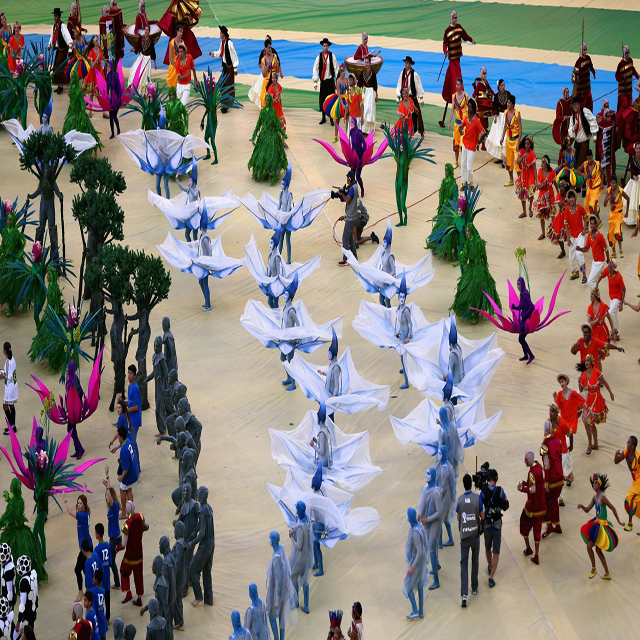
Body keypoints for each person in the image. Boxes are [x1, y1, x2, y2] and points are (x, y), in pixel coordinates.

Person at [577, 473, 624, 579]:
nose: (594, 485)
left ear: (600, 485)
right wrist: (581, 506)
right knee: (598, 551)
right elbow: (587, 509)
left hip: (602, 527)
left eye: (596, 483)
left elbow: (613, 508)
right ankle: (607, 573)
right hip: (597, 523)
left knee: (589, 546)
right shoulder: (595, 497)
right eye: (593, 483)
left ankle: (594, 569)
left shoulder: (602, 498)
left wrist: (619, 521)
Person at [440, 10, 475, 128]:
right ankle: (460, 101)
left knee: (454, 79)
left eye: (456, 17)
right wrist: (445, 51)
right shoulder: (447, 31)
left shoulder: (459, 27)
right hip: (452, 60)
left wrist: (471, 40)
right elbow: (444, 43)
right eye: (453, 17)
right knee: (456, 81)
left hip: (457, 59)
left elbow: (465, 36)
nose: (455, 19)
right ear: (450, 18)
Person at [456, 473, 483, 608]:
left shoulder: (460, 500)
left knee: (464, 564)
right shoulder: (477, 498)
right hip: (475, 535)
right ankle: (474, 586)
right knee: (475, 561)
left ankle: (464, 594)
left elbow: (458, 517)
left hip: (464, 536)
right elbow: (482, 515)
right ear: (471, 484)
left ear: (463, 485)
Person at [577, 353, 614, 454]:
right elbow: (581, 389)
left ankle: (590, 444)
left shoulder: (596, 372)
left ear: (592, 362)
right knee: (589, 423)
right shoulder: (584, 374)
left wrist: (610, 393)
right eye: (585, 360)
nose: (586, 362)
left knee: (588, 422)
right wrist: (579, 382)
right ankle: (595, 444)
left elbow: (604, 382)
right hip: (589, 399)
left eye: (588, 360)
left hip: (597, 400)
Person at [481, 468, 508, 588]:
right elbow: (506, 503)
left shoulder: (483, 491)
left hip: (487, 524)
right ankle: (491, 577)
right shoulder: (500, 491)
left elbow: (480, 506)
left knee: (487, 547)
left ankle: (489, 565)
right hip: (497, 525)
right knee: (496, 552)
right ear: (496, 479)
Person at [119, 500, 149, 606]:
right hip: (139, 554)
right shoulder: (140, 516)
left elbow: (124, 544)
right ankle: (139, 599)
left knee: (123, 571)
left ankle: (128, 593)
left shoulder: (127, 525)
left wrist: (116, 548)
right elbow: (147, 526)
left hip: (130, 556)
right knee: (138, 576)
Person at [518, 450, 545, 565]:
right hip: (541, 505)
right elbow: (537, 484)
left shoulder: (531, 472)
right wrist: (527, 483)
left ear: (527, 460)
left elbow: (533, 490)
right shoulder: (539, 466)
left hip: (532, 505)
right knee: (537, 530)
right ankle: (537, 556)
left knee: (523, 523)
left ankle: (528, 548)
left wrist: (522, 489)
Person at [64, 493, 92, 603]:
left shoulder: (82, 516)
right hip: (88, 545)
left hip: (86, 548)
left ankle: (81, 591)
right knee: (85, 570)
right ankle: (89, 588)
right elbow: (86, 498)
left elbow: (70, 512)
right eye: (78, 503)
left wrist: (65, 500)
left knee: (77, 569)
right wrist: (84, 488)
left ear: (84, 505)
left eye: (80, 504)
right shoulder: (86, 512)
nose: (78, 505)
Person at [403, 507, 428, 620]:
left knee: (407, 586)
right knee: (420, 585)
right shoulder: (419, 528)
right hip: (420, 562)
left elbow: (420, 551)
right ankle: (420, 612)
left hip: (417, 563)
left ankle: (415, 610)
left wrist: (412, 567)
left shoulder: (415, 533)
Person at [540, 421, 564, 538]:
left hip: (552, 478)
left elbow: (546, 465)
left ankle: (549, 524)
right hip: (560, 476)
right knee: (553, 500)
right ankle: (557, 525)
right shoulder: (558, 441)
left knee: (544, 499)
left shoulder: (544, 445)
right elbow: (559, 459)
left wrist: (547, 482)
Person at [568, 97, 598, 184]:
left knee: (582, 164)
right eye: (573, 105)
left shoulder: (585, 111)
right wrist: (573, 129)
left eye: (576, 104)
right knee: (575, 162)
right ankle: (577, 183)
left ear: (579, 104)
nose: (575, 106)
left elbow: (593, 121)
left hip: (584, 142)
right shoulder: (572, 118)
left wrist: (595, 135)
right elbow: (570, 132)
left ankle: (582, 185)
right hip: (577, 143)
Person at [614, 436, 640, 532]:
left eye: (629, 442)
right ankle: (630, 523)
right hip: (635, 482)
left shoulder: (638, 457)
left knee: (629, 497)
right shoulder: (626, 452)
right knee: (637, 503)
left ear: (633, 446)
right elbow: (616, 461)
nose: (627, 443)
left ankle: (630, 524)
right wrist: (616, 455)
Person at [209, 25, 238, 110]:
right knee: (222, 84)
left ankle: (226, 105)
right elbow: (220, 53)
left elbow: (234, 56)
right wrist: (213, 54)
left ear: (223, 34)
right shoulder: (222, 42)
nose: (220, 34)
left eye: (220, 32)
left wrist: (235, 68)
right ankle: (224, 102)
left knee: (228, 86)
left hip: (229, 68)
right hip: (225, 67)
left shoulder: (229, 43)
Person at [576, 215, 610, 289]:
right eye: (591, 224)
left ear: (596, 225)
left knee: (590, 281)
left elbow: (606, 248)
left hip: (600, 262)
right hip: (595, 262)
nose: (592, 225)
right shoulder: (589, 235)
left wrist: (608, 259)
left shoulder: (600, 236)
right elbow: (586, 249)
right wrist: (579, 249)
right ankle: (594, 295)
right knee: (593, 281)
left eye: (593, 224)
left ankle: (595, 295)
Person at [459, 97, 485, 190]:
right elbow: (461, 126)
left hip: (472, 146)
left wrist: (478, 143)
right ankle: (464, 183)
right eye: (468, 107)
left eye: (470, 107)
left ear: (474, 108)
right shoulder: (466, 118)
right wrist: (461, 130)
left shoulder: (477, 121)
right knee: (463, 165)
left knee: (469, 167)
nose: (468, 109)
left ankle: (470, 184)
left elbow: (483, 133)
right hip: (465, 144)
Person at [396, 56, 424, 138]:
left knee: (417, 113)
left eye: (407, 63)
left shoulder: (414, 74)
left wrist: (421, 98)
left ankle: (420, 131)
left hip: (412, 97)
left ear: (410, 64)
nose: (405, 64)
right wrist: (398, 96)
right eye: (405, 63)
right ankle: (404, 131)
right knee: (403, 115)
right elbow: (399, 84)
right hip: (404, 97)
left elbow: (418, 86)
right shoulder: (402, 73)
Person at [563, 190, 588, 282]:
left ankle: (584, 274)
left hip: (580, 234)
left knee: (579, 253)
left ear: (575, 198)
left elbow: (585, 216)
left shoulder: (580, 207)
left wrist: (585, 228)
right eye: (569, 198)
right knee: (571, 257)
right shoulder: (567, 210)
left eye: (572, 197)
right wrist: (568, 238)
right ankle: (575, 273)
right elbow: (566, 225)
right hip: (572, 237)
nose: (571, 199)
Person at [312, 38, 338, 126]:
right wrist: (315, 82)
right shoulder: (319, 57)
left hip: (330, 81)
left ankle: (331, 118)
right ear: (322, 46)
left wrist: (337, 81)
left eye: (326, 46)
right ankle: (323, 117)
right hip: (323, 81)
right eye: (324, 46)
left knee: (331, 100)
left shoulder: (332, 56)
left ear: (328, 46)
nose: (325, 47)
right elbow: (315, 69)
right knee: (322, 99)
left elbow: (336, 68)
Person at [336, 171, 360, 265]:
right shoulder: (355, 186)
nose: (347, 182)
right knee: (350, 237)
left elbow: (347, 200)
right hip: (352, 216)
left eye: (348, 180)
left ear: (350, 179)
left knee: (345, 238)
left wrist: (341, 193)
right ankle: (354, 256)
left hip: (351, 217)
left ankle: (346, 259)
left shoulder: (352, 189)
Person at [604, 177, 630, 258]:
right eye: (611, 183)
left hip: (619, 214)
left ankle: (621, 250)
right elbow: (604, 205)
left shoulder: (620, 191)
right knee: (611, 234)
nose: (613, 185)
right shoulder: (608, 191)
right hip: (611, 215)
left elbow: (628, 198)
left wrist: (627, 211)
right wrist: (607, 199)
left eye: (614, 183)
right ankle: (614, 252)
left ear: (616, 183)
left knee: (617, 232)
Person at [48, 7, 73, 93]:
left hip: (63, 50)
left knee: (59, 67)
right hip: (59, 50)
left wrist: (70, 47)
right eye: (54, 16)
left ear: (59, 16)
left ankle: (61, 85)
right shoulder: (54, 27)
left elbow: (67, 37)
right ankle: (60, 85)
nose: (55, 17)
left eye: (56, 16)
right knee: (57, 67)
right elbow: (52, 36)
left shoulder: (62, 26)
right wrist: (49, 45)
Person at [500, 93, 522, 187]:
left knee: (517, 161)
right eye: (507, 103)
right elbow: (505, 126)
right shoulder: (506, 112)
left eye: (509, 103)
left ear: (513, 104)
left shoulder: (517, 114)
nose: (507, 104)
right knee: (509, 161)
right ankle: (511, 180)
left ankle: (520, 182)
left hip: (516, 140)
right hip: (508, 141)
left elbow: (520, 129)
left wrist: (518, 143)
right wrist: (502, 137)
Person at [512, 277, 535, 364]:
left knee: (521, 339)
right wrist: (515, 307)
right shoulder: (522, 294)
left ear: (522, 284)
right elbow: (521, 306)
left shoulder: (524, 295)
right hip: (523, 320)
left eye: (519, 284)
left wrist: (525, 314)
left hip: (526, 321)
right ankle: (526, 355)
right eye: (517, 284)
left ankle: (530, 355)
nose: (517, 286)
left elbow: (531, 306)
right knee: (521, 339)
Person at [128, 24, 156, 97]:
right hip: (141, 57)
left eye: (147, 30)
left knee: (144, 76)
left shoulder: (151, 40)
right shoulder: (141, 38)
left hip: (147, 59)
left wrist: (155, 62)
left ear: (149, 31)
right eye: (145, 30)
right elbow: (138, 45)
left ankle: (143, 93)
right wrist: (133, 49)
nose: (145, 31)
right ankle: (136, 92)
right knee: (135, 70)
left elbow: (153, 51)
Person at [533, 155, 556, 239]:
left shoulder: (552, 171)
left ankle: (554, 232)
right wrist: (542, 185)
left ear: (546, 163)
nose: (541, 163)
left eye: (543, 162)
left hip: (550, 194)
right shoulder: (539, 171)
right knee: (541, 214)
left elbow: (555, 182)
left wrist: (558, 192)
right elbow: (538, 186)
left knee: (552, 213)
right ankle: (543, 233)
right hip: (542, 195)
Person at [577, 149, 602, 222]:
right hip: (589, 189)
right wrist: (583, 175)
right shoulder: (585, 164)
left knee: (592, 204)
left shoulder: (597, 164)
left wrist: (601, 183)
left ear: (592, 156)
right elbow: (577, 171)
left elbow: (602, 172)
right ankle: (588, 222)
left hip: (597, 188)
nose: (589, 160)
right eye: (588, 159)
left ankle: (597, 220)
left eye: (590, 158)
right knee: (587, 206)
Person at [448, 77, 468, 169]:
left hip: (464, 125)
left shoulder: (466, 96)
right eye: (456, 84)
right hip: (457, 124)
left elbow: (469, 109)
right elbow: (452, 110)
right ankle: (456, 161)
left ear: (462, 85)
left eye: (458, 85)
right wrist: (449, 122)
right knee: (456, 143)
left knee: (463, 144)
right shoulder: (453, 96)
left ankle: (464, 162)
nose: (457, 86)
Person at [116, 426, 139, 507]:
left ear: (121, 437)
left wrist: (121, 477)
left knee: (122, 490)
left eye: (118, 436)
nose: (117, 437)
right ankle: (131, 509)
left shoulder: (123, 450)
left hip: (129, 475)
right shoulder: (128, 441)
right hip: (134, 472)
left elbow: (126, 468)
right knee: (129, 490)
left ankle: (124, 510)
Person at [471, 67, 494, 150]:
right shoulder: (479, 84)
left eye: (486, 73)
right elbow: (474, 94)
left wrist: (496, 95)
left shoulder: (486, 82)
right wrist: (472, 103)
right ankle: (480, 143)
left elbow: (490, 90)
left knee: (484, 126)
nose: (485, 75)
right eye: (483, 73)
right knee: (480, 126)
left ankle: (483, 143)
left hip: (485, 108)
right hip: (480, 109)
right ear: (481, 73)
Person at [486, 79, 508, 162]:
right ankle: (499, 156)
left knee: (504, 136)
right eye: (502, 85)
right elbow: (495, 107)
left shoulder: (508, 94)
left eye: (504, 85)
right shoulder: (496, 96)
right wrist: (495, 116)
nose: (503, 87)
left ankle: (505, 157)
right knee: (497, 135)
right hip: (499, 117)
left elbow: (510, 105)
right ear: (499, 87)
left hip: (505, 117)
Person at [595, 99, 616, 184]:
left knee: (609, 165)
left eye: (609, 116)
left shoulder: (612, 122)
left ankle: (610, 183)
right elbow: (598, 139)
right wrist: (600, 151)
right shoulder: (600, 123)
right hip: (603, 149)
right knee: (602, 166)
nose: (608, 117)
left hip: (609, 148)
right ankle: (601, 180)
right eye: (605, 104)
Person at [516, 136, 537, 219]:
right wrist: (522, 157)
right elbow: (517, 161)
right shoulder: (522, 151)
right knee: (522, 192)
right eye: (525, 144)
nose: (526, 145)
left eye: (528, 144)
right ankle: (524, 212)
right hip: (523, 174)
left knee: (531, 192)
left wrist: (536, 180)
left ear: (530, 144)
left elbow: (534, 169)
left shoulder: (532, 154)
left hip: (530, 174)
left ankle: (530, 207)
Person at [94, 525, 111, 622]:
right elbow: (110, 561)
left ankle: (100, 618)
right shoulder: (107, 545)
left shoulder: (97, 549)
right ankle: (107, 617)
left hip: (101, 577)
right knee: (107, 597)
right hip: (107, 574)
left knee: (100, 599)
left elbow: (97, 564)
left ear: (97, 534)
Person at [548, 180, 569, 258]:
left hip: (568, 217)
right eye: (560, 187)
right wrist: (565, 200)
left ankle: (574, 252)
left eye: (562, 186)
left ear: (565, 188)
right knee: (559, 235)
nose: (561, 188)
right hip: (561, 218)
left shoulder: (569, 194)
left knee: (571, 235)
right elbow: (560, 205)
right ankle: (563, 251)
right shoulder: (559, 195)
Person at [357, 55, 378, 135]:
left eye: (367, 62)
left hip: (371, 92)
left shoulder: (373, 73)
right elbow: (359, 84)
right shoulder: (362, 72)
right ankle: (363, 129)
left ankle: (369, 129)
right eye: (365, 62)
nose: (366, 64)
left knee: (370, 109)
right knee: (364, 108)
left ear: (370, 63)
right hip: (364, 91)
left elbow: (375, 85)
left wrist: (376, 95)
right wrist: (357, 91)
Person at [126, 365, 142, 471]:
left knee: (132, 443)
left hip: (135, 420)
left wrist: (125, 410)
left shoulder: (135, 388)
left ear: (135, 375)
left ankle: (136, 468)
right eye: (128, 373)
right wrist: (123, 403)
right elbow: (131, 403)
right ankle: (136, 466)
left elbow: (135, 407)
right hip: (131, 420)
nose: (129, 375)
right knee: (133, 443)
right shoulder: (130, 386)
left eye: (131, 373)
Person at [572, 42, 596, 111]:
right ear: (581, 50)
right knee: (582, 108)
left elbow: (591, 66)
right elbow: (575, 72)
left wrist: (593, 72)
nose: (585, 51)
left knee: (590, 107)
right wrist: (580, 67)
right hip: (581, 91)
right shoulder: (579, 61)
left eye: (586, 49)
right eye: (584, 50)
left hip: (588, 88)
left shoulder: (588, 58)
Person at [553, 86, 573, 165]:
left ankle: (568, 162)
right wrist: (563, 117)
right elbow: (557, 116)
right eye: (565, 92)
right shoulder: (560, 102)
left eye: (568, 92)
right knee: (563, 146)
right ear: (563, 93)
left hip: (569, 127)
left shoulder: (571, 100)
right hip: (563, 129)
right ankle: (560, 163)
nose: (567, 94)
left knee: (568, 145)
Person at [0, 342, 17, 435]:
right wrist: (3, 372)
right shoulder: (12, 359)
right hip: (14, 386)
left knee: (5, 406)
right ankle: (13, 426)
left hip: (9, 388)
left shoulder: (8, 362)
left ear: (4, 351)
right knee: (11, 405)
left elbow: (7, 376)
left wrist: (1, 375)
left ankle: (12, 427)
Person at [616, 45, 639, 113]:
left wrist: (638, 77)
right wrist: (622, 76)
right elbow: (617, 77)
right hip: (623, 92)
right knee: (622, 109)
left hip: (629, 90)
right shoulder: (621, 64)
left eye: (628, 53)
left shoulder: (630, 61)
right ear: (623, 53)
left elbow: (633, 70)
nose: (628, 55)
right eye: (626, 53)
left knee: (629, 108)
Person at [266, 71, 286, 139]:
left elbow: (280, 98)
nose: (273, 79)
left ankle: (283, 141)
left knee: (284, 126)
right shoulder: (270, 89)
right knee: (273, 129)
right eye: (272, 78)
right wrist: (277, 97)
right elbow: (271, 102)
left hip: (279, 110)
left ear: (277, 78)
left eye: (274, 78)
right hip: (273, 111)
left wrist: (281, 108)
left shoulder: (278, 86)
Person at [90, 570, 107, 640]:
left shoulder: (93, 590)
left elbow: (93, 607)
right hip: (102, 618)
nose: (93, 579)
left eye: (93, 577)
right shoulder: (103, 590)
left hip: (97, 620)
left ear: (96, 580)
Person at [165, 24, 183, 89]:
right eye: (180, 31)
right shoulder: (172, 43)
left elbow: (183, 55)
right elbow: (170, 57)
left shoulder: (182, 42)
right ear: (177, 32)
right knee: (172, 86)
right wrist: (176, 66)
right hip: (173, 67)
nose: (181, 33)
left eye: (182, 32)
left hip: (180, 66)